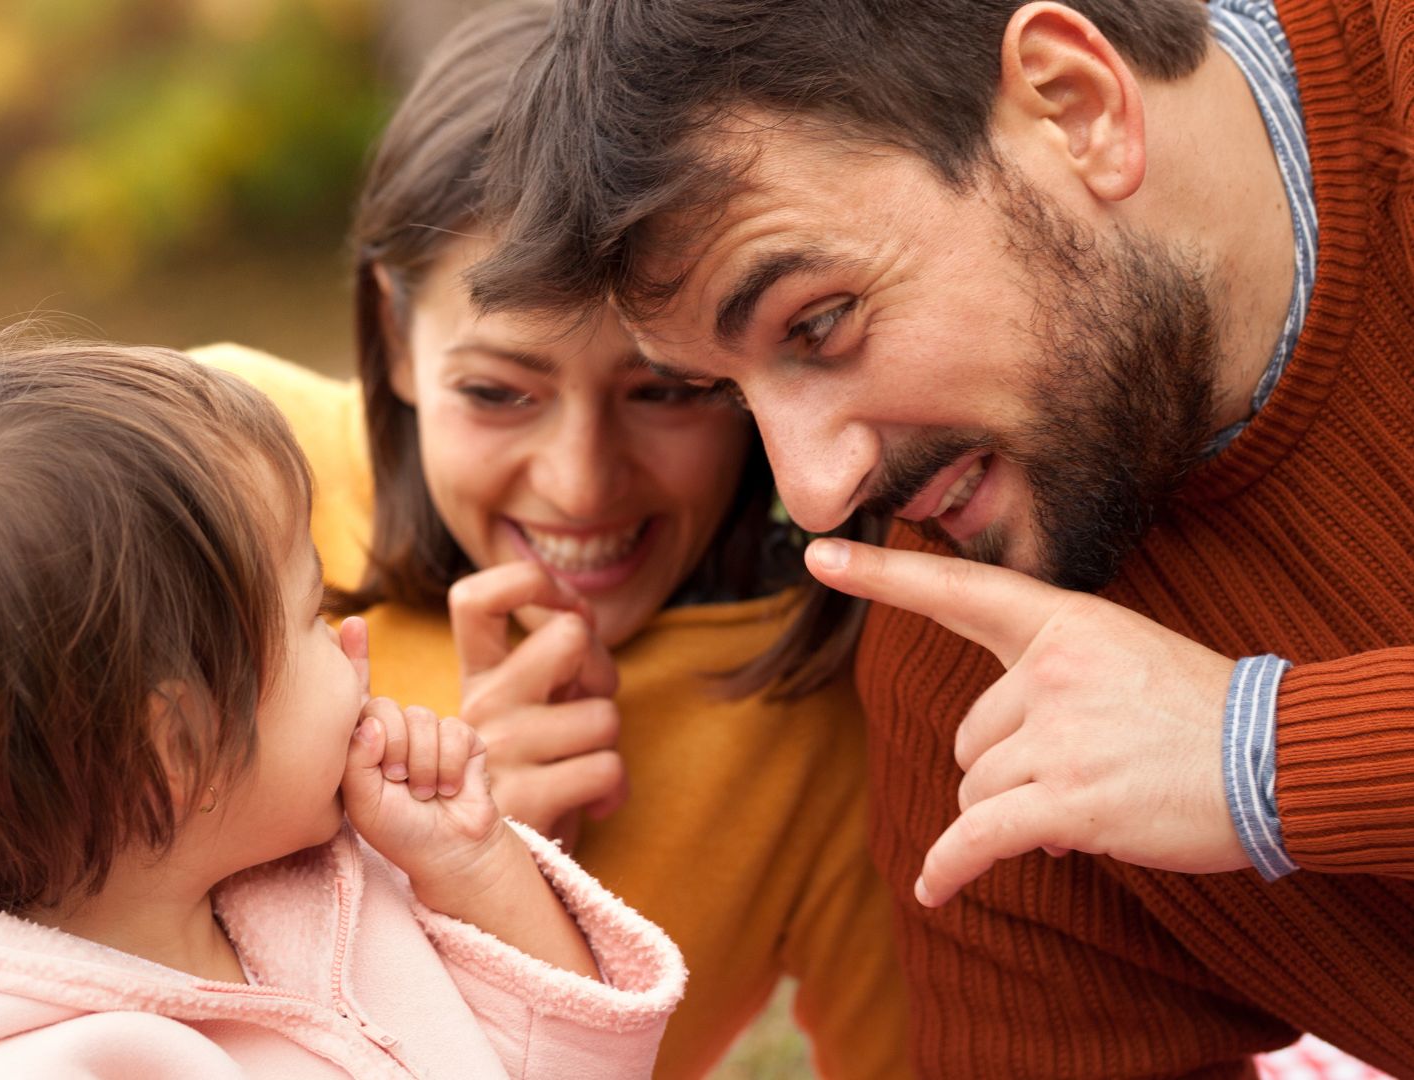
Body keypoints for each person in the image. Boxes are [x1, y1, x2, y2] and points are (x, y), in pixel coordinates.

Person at [469, 0, 1414, 1074]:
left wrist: (1264, 754)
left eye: (820, 323)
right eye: (728, 395)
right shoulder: (977, 663)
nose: (816, 492)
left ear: (1075, 105)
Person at [199, 3, 911, 1076]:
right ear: (394, 338)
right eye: (497, 391)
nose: (579, 483)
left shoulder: (827, 719)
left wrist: (512, 903)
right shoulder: (211, 472)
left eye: (665, 393)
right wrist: (438, 878)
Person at [0, 338, 684, 1078]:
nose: (355, 637)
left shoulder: (323, 876)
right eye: (313, 616)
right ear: (177, 750)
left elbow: (583, 1062)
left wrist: (477, 870)